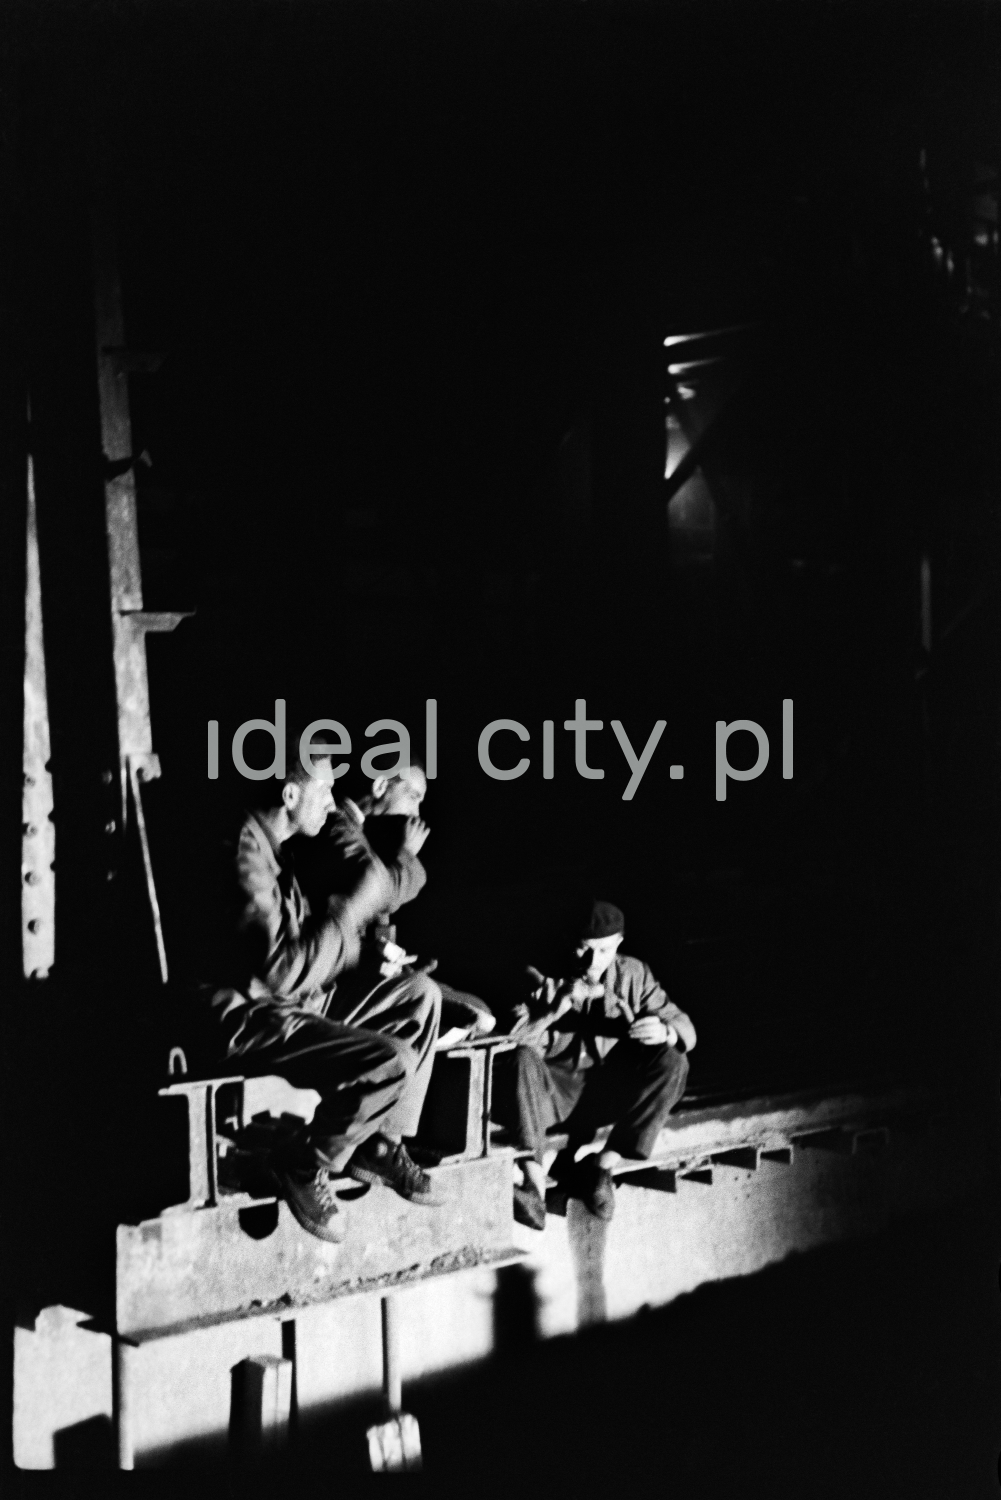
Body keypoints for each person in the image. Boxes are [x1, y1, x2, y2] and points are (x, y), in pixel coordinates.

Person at [205, 733, 444, 1243]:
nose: (335, 801)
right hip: (255, 1017)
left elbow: (303, 948)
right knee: (389, 1061)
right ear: (291, 796)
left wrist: (361, 952)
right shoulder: (244, 853)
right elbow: (278, 971)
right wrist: (348, 916)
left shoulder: (279, 847)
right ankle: (301, 1161)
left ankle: (374, 1143)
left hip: (296, 1000)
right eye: (325, 788)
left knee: (419, 994)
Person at [492, 899, 695, 1230]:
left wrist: (666, 1031)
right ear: (566, 944)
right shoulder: (539, 974)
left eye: (603, 951)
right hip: (550, 1094)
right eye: (583, 950)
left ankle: (601, 1168)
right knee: (520, 1058)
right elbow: (508, 1040)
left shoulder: (634, 974)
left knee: (673, 1059)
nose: (592, 962)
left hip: (605, 1093)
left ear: (618, 945)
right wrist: (554, 1009)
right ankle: (534, 1186)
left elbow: (684, 1026)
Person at [294, 761, 496, 1046]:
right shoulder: (335, 828)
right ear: (379, 786)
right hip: (325, 986)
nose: (416, 813)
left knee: (473, 1008)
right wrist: (407, 856)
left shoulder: (355, 831)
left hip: (345, 972)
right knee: (454, 1008)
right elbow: (378, 891)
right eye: (413, 796)